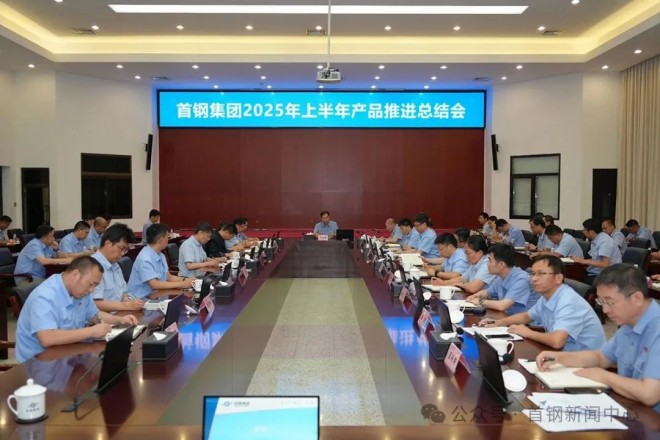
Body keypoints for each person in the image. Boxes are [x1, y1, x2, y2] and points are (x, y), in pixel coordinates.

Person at [536, 264, 660, 411]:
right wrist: (559, 358)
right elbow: (600, 357)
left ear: (637, 298)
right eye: (601, 302)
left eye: (610, 302)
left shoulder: (656, 328)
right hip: (630, 407)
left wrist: (604, 377)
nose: (605, 310)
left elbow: (649, 394)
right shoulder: (629, 324)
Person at [15, 256, 138, 362]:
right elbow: (46, 338)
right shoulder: (45, 296)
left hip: (69, 352)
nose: (92, 290)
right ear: (75, 275)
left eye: (95, 286)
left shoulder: (79, 291)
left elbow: (96, 315)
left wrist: (119, 320)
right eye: (91, 284)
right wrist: (91, 332)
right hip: (39, 363)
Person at [482, 255, 606, 351]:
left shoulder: (569, 301)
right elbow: (526, 316)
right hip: (563, 356)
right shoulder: (547, 296)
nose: (534, 279)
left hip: (587, 365)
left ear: (558, 278)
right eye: (532, 274)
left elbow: (557, 341)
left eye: (540, 274)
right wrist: (499, 323)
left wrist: (528, 333)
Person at [466, 243, 540, 315]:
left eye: (490, 260)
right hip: (508, 317)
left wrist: (480, 301)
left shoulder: (521, 280)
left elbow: (502, 306)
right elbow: (487, 293)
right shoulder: (501, 277)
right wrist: (475, 296)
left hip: (525, 322)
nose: (487, 264)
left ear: (501, 265)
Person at [127, 223, 194, 299]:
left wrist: (187, 280)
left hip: (157, 295)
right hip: (140, 299)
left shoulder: (160, 255)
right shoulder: (145, 258)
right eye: (167, 237)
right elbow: (154, 284)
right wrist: (183, 284)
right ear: (162, 239)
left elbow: (169, 277)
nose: (168, 239)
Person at [90, 223, 144, 312]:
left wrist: (128, 300)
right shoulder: (93, 266)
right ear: (108, 243)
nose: (122, 254)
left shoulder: (115, 264)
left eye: (125, 250)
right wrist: (125, 305)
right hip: (103, 317)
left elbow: (123, 292)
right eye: (121, 248)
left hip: (119, 313)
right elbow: (95, 304)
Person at [572, 218, 622, 285]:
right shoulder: (595, 239)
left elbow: (604, 264)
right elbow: (595, 259)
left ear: (591, 231)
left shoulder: (605, 241)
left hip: (607, 275)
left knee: (577, 282)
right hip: (596, 272)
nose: (583, 231)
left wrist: (583, 261)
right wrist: (579, 259)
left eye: (584, 229)